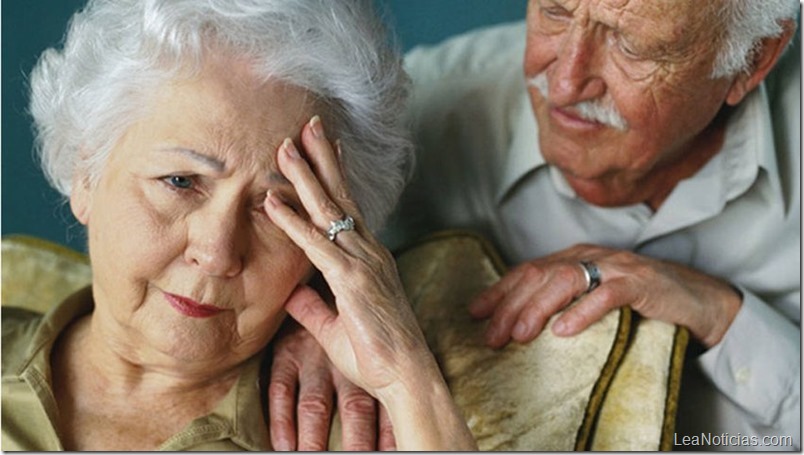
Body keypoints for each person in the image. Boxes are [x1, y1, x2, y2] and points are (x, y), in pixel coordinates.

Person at [267, 0, 801, 450]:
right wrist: (301, 301)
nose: (565, 82)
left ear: (753, 59)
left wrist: (719, 312)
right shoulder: (420, 113)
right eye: (555, 13)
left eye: (632, 46)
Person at [0, 0, 477, 451]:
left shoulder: (372, 432)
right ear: (86, 177)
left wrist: (407, 382)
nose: (218, 252)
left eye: (277, 207)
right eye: (181, 181)